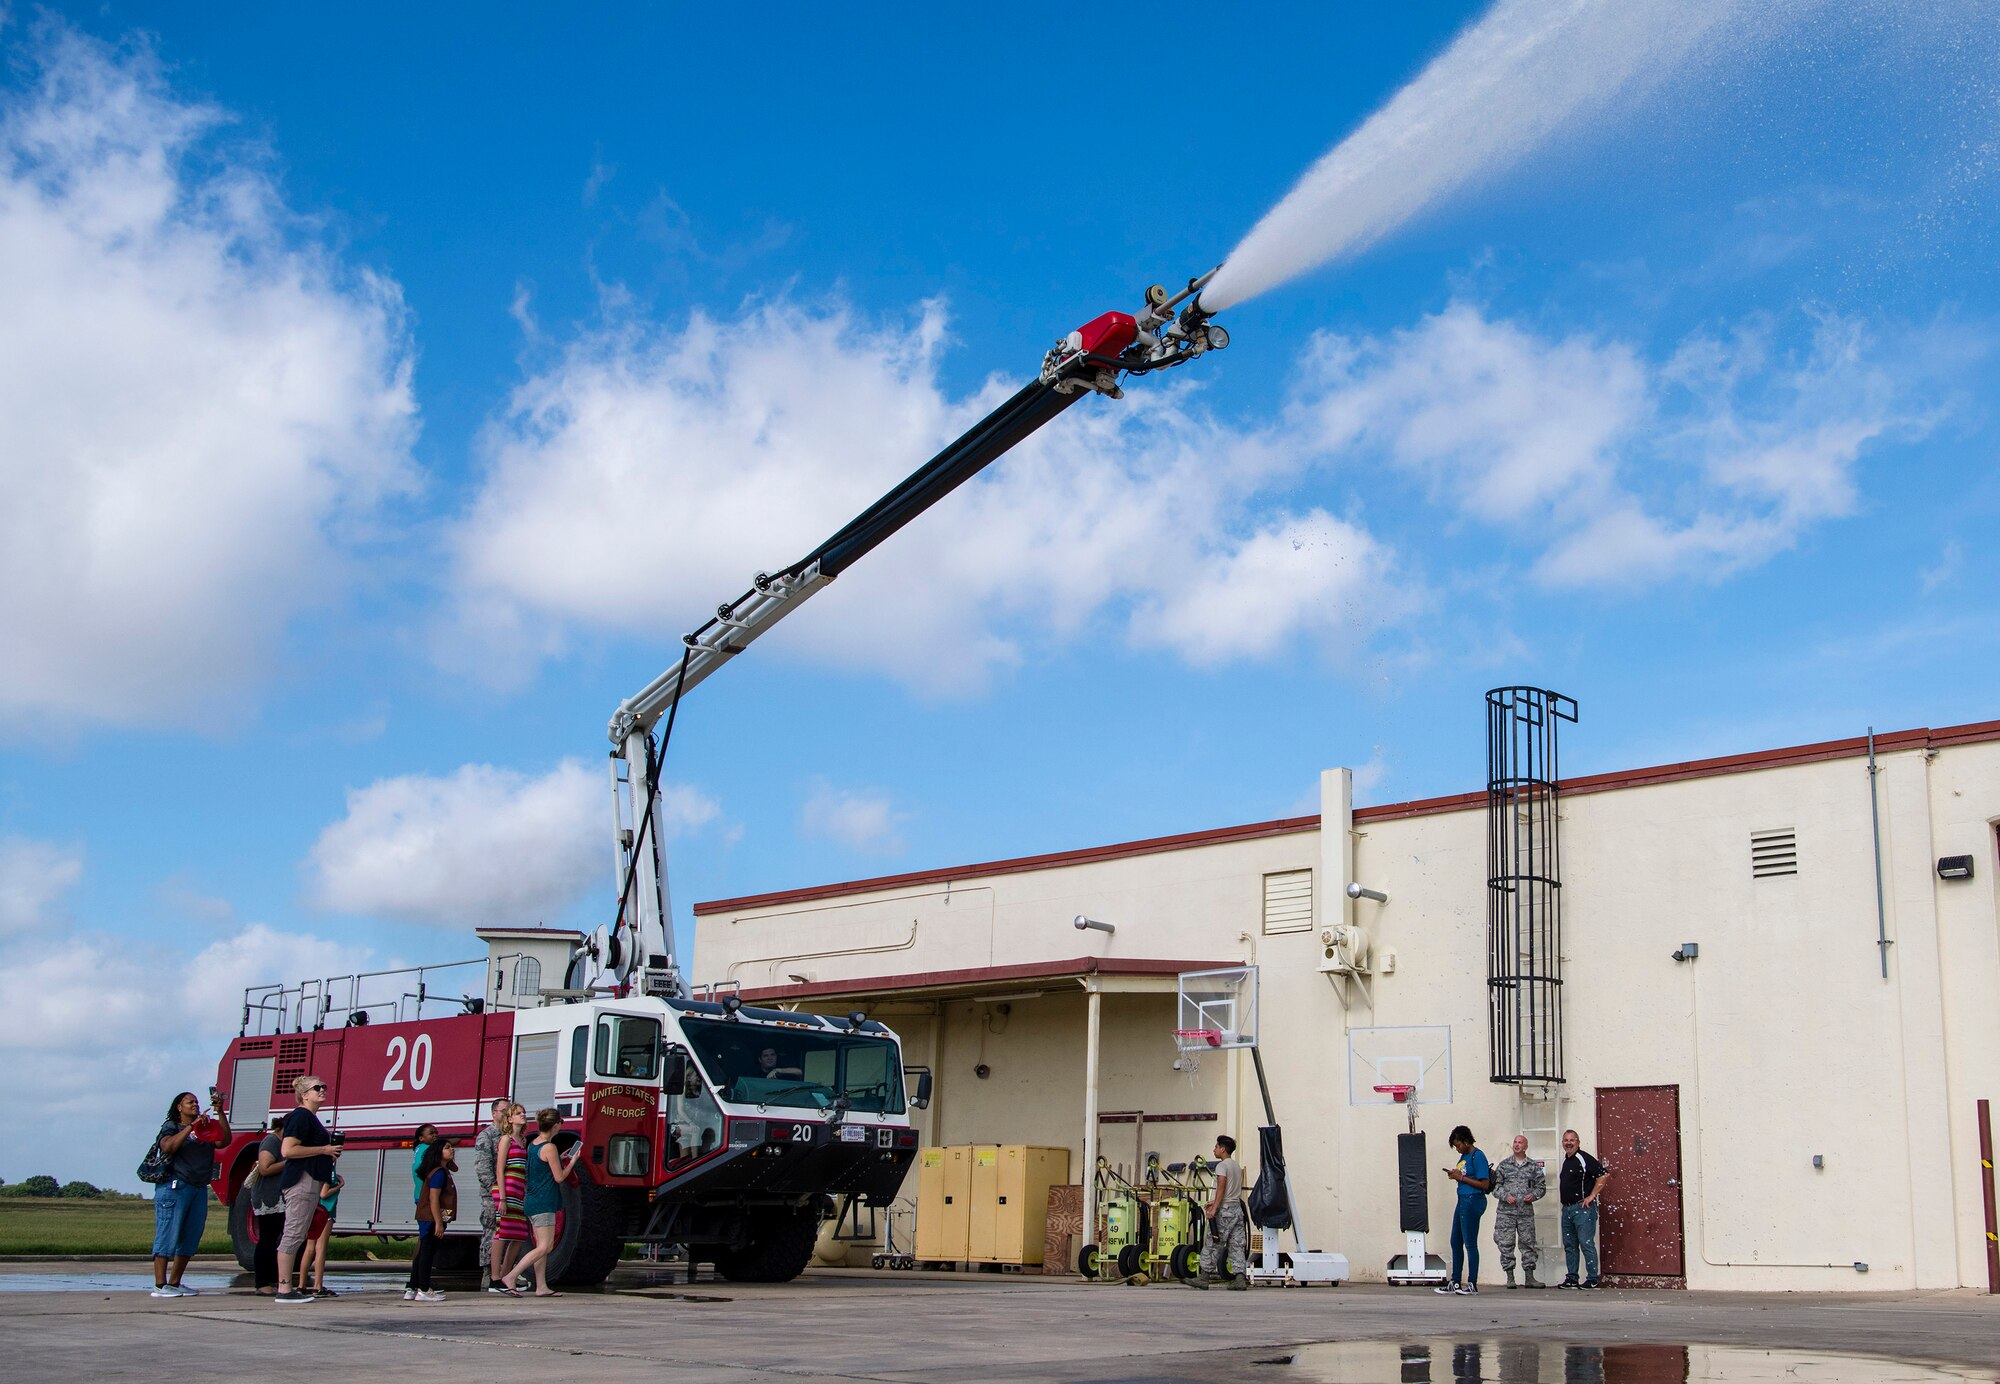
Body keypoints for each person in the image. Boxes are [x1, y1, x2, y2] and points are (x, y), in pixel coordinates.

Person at [149, 1091, 230, 1297]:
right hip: (175, 1186)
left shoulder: (204, 1126)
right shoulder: (171, 1126)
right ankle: (160, 1285)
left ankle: (175, 1283)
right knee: (167, 1233)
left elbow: (223, 1141)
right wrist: (190, 1128)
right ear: (179, 1107)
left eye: (196, 1102)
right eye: (189, 1102)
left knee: (191, 1235)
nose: (195, 1105)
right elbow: (168, 1147)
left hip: (198, 1186)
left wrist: (220, 1113)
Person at [275, 1073, 341, 1304]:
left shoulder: (310, 1118)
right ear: (304, 1095)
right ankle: (284, 1288)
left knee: (299, 1232)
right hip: (301, 1181)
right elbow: (288, 1150)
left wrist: (327, 1155)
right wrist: (323, 1150)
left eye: (323, 1086)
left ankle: (287, 1287)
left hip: (310, 1179)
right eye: (316, 1088)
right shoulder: (300, 1116)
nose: (322, 1090)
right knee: (293, 1233)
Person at [502, 1108, 582, 1297]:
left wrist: (558, 1158)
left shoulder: (534, 1145)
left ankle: (541, 1286)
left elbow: (541, 1166)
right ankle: (511, 1276)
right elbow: (559, 1177)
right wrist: (572, 1161)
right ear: (555, 1126)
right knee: (546, 1246)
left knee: (540, 1246)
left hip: (532, 1200)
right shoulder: (549, 1147)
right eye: (560, 1122)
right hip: (544, 1202)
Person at [1188, 1134, 1249, 1291]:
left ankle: (1204, 1277)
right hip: (1236, 1209)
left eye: (1216, 1147)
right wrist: (1215, 1202)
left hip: (1225, 1211)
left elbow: (1221, 1186)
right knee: (1236, 1244)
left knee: (1213, 1242)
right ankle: (1240, 1278)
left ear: (1223, 1149)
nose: (1214, 1149)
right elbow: (1231, 1190)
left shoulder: (1221, 1166)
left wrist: (1214, 1208)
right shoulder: (1236, 1166)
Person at [1437, 1124, 1492, 1295]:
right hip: (1462, 1200)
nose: (1457, 1149)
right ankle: (1455, 1280)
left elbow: (1484, 1183)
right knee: (1455, 1241)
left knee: (1470, 1243)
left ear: (1467, 1141)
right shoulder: (1464, 1157)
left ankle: (1472, 1282)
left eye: (1459, 1144)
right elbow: (1464, 1176)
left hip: (1472, 1200)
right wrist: (1457, 1175)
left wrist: (1461, 1177)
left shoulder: (1478, 1156)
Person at [405, 1137, 459, 1303]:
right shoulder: (438, 1174)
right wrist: (439, 1223)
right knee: (427, 1253)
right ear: (438, 1153)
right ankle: (424, 1288)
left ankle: (412, 1287)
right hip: (431, 1218)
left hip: (427, 1218)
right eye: (447, 1148)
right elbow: (434, 1199)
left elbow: (455, 1168)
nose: (452, 1150)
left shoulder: (440, 1170)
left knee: (422, 1253)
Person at [1556, 1128, 1610, 1289]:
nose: (1568, 1143)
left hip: (1583, 1209)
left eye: (1572, 1140)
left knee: (1586, 1243)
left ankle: (1593, 1278)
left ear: (1578, 1142)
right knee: (1570, 1244)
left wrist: (1592, 1195)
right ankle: (1572, 1278)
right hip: (1567, 1209)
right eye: (1566, 1140)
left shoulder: (1583, 1158)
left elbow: (1603, 1174)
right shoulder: (1567, 1160)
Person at [1491, 1134, 1546, 1289]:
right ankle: (1510, 1277)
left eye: (1520, 1142)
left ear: (1526, 1146)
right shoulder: (1504, 1165)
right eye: (1515, 1142)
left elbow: (1541, 1187)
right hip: (1506, 1213)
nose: (1516, 1145)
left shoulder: (1533, 1167)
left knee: (1528, 1243)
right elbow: (1495, 1187)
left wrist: (1533, 1195)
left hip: (1525, 1213)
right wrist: (1505, 1196)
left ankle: (1529, 1277)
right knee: (1505, 1243)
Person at [490, 1104, 531, 1294]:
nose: (523, 1116)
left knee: (519, 1234)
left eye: (523, 1113)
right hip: (506, 1191)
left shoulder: (522, 1141)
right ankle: (495, 1277)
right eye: (518, 1114)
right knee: (502, 1233)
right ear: (510, 1119)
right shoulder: (506, 1140)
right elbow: (499, 1169)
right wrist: (502, 1198)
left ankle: (507, 1274)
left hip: (518, 1192)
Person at [248, 1117, 288, 1296]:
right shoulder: (271, 1141)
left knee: (276, 1238)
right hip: (269, 1197)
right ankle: (261, 1282)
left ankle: (271, 1277)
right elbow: (265, 1168)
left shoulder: (283, 1142)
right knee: (268, 1238)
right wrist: (290, 1162)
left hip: (279, 1196)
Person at [473, 1098, 511, 1287]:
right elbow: (483, 1169)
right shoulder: (486, 1136)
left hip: (510, 1194)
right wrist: (496, 1191)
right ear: (494, 1113)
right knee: (492, 1232)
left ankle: (504, 1272)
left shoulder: (510, 1136)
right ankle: (488, 1274)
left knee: (507, 1232)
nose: (507, 1114)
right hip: (493, 1196)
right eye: (504, 1111)